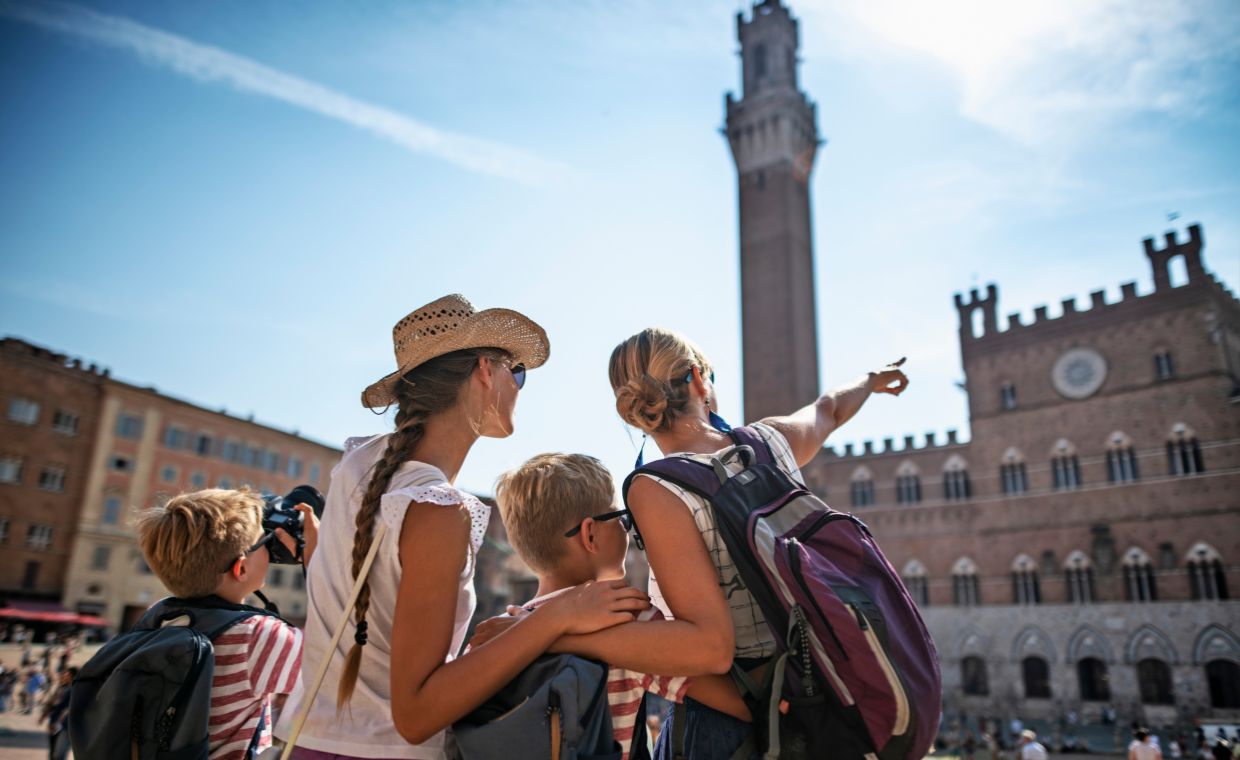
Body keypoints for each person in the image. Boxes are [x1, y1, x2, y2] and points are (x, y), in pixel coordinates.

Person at [275, 295, 648, 760]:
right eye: (517, 372)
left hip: (304, 740)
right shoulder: (438, 508)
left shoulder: (359, 465)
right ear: (484, 371)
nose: (518, 387)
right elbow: (416, 716)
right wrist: (558, 616)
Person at [600, 327, 908, 759]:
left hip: (732, 722)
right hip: (820, 694)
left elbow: (710, 648)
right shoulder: (771, 441)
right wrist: (872, 380)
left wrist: (574, 633)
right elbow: (829, 409)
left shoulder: (656, 488)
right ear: (698, 380)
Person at [492, 452, 751, 760]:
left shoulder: (498, 632)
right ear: (590, 534)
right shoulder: (623, 617)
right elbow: (739, 704)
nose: (628, 529)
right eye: (622, 518)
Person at [135, 487, 319, 759]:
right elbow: (333, 663)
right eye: (264, 540)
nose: (271, 548)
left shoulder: (158, 615)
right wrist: (316, 562)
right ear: (240, 568)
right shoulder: (257, 635)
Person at [40, 666, 76, 760]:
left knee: (58, 754)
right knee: (53, 751)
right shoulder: (61, 688)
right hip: (57, 723)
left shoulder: (73, 689)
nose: (63, 676)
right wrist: (44, 717)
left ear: (71, 676)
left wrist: (56, 721)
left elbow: (65, 707)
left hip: (63, 724)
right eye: (63, 674)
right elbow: (51, 703)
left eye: (66, 674)